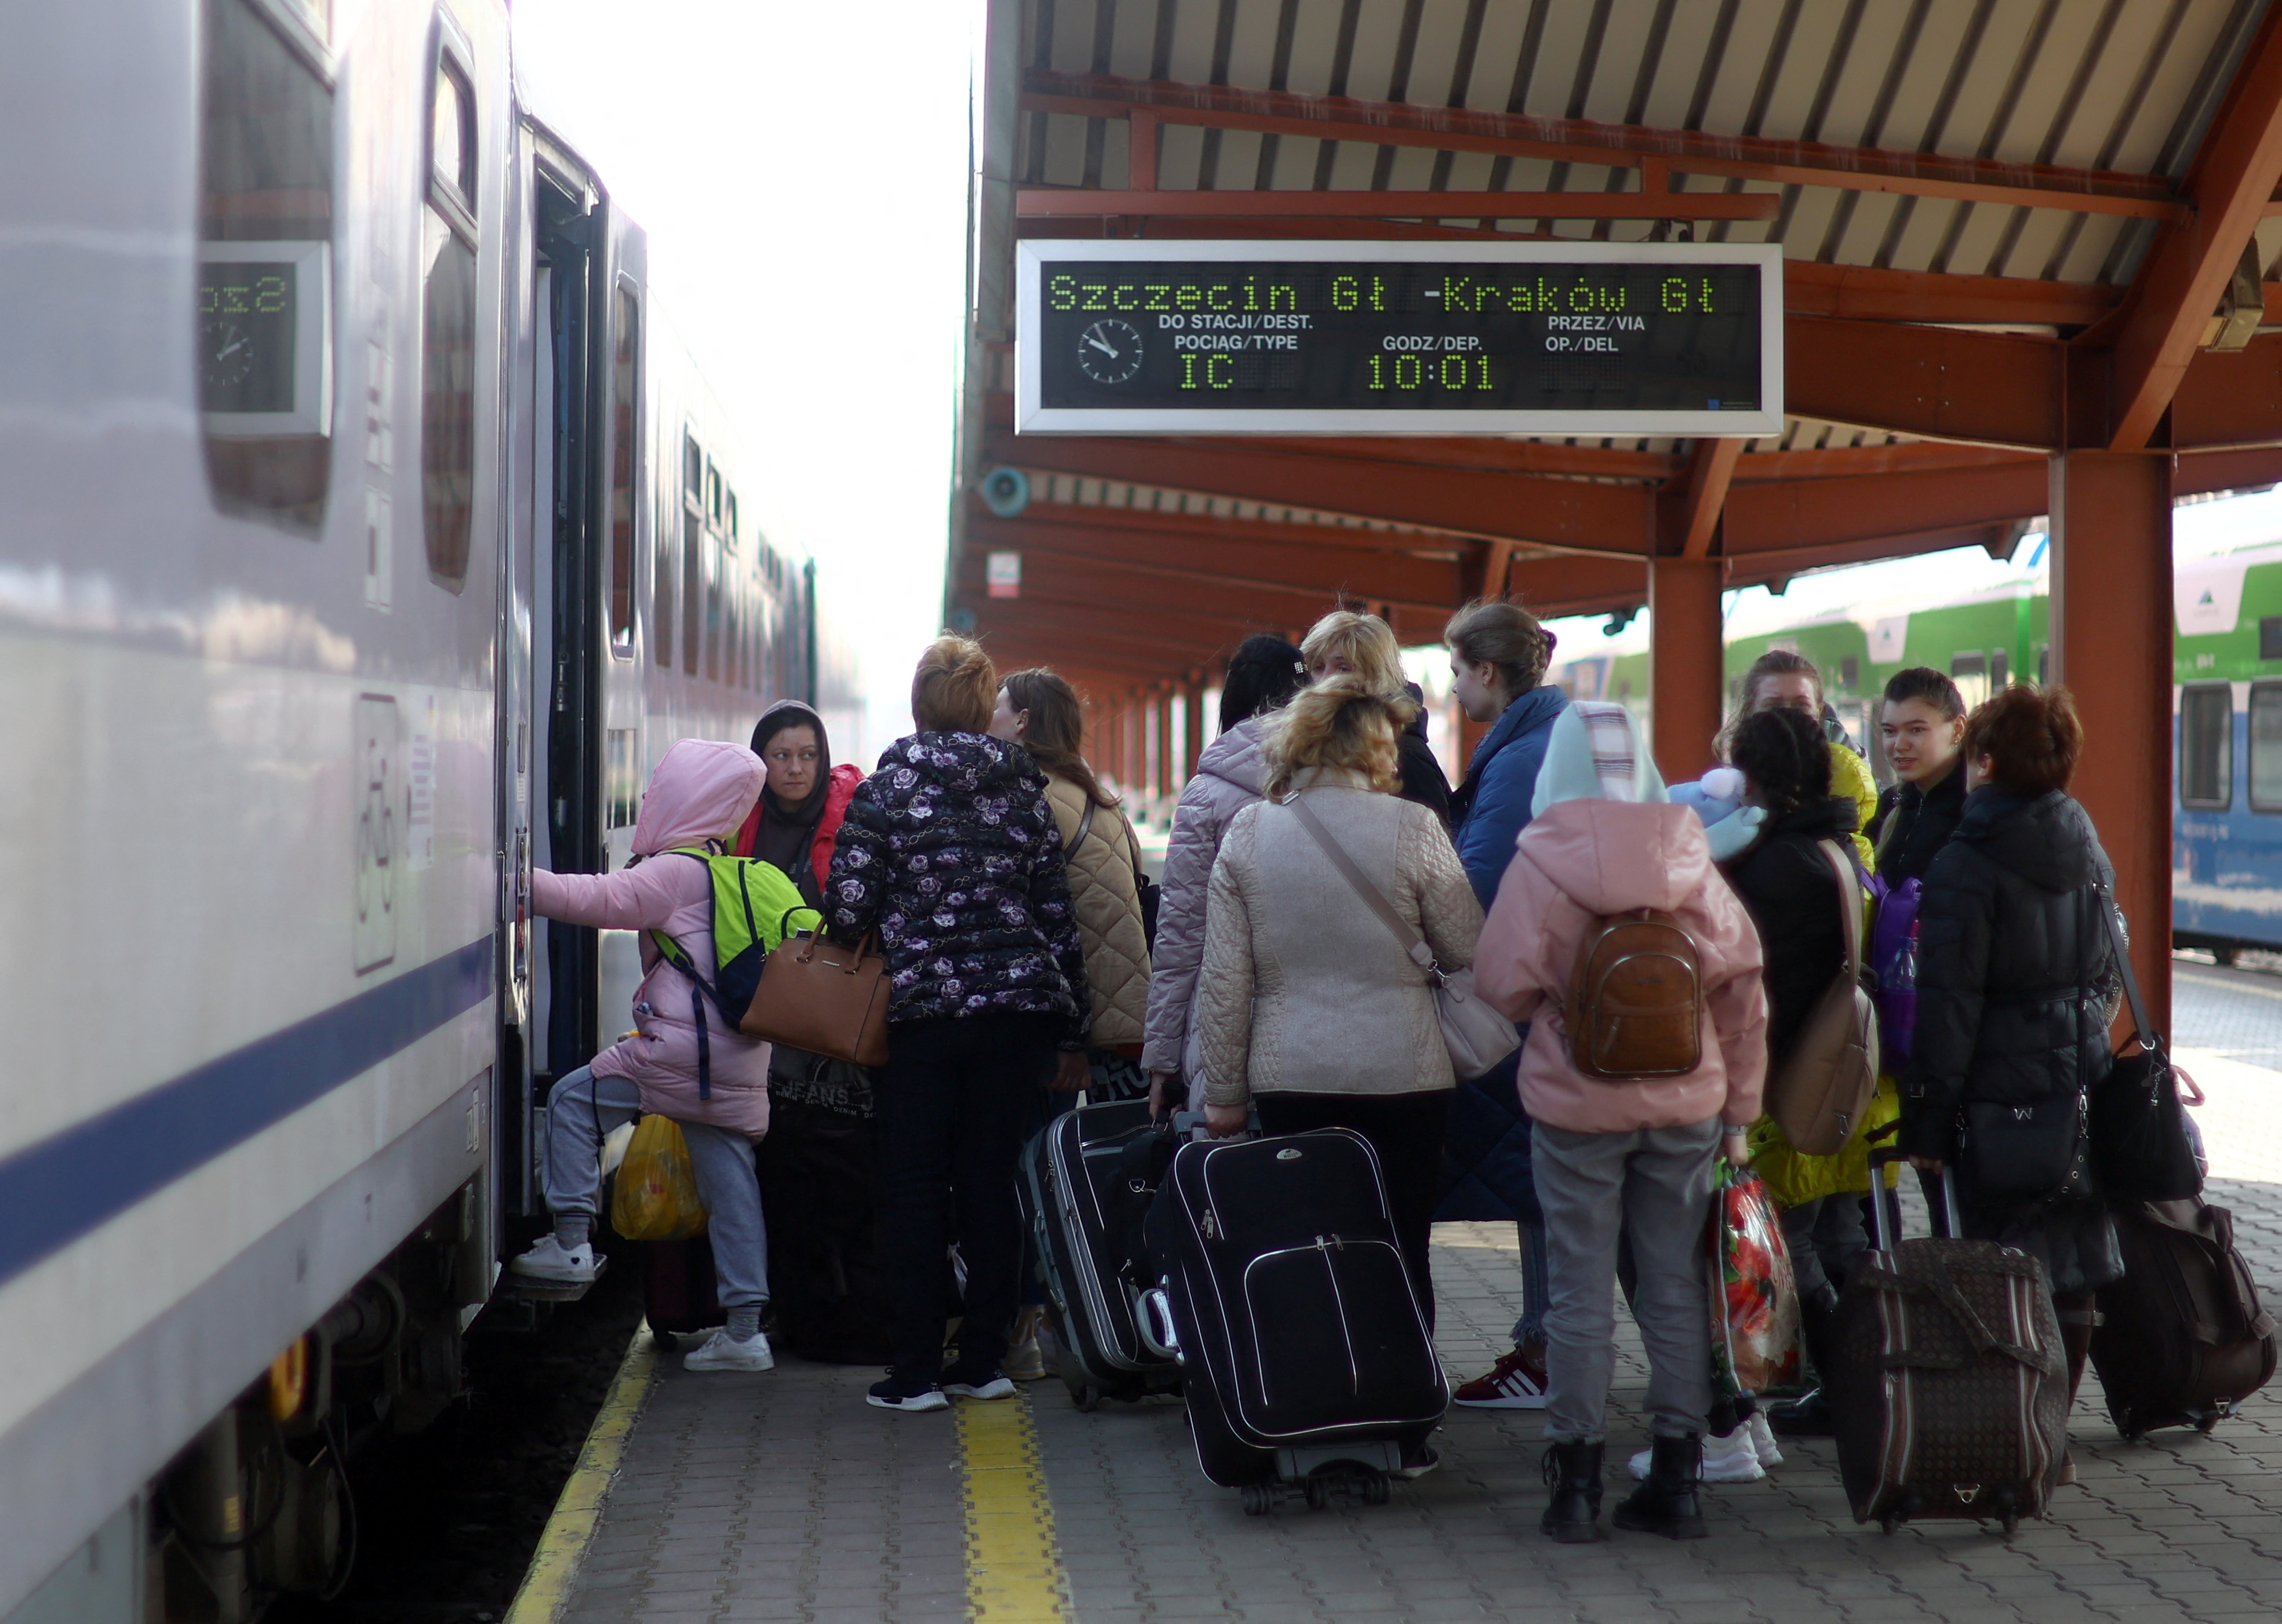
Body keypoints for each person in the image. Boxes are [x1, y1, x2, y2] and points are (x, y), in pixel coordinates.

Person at [1473, 702, 1767, 1543]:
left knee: (1576, 1289)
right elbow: (1742, 992)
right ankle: (1677, 1478)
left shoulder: (1541, 861)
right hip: (1687, 1104)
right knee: (1672, 1282)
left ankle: (1575, 1485)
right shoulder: (1690, 854)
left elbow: (1500, 984)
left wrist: (1561, 1007)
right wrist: (1740, 1112)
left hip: (1576, 1106)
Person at [1192, 679, 1482, 1393]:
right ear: (1378, 747)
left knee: (1307, 1242)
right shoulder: (1414, 828)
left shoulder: (1250, 833)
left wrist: (1222, 1097)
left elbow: (1226, 982)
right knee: (1401, 1240)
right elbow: (1469, 948)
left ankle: (1319, 1398)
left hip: (1292, 1077)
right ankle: (1408, 1407)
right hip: (1406, 1076)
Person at [825, 635, 1090, 1414]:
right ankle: (984, 1361)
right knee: (988, 1182)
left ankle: (912, 1373)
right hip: (1014, 1017)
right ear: (982, 709)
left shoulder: (887, 787)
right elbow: (1056, 916)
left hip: (923, 1018)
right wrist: (1071, 1027)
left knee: (912, 1188)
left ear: (918, 703)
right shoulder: (1022, 789)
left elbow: (846, 912)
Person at [1899, 685, 2122, 1480]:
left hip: (1997, 1093)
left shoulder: (1966, 858)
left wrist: (1927, 1120)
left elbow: (1949, 1004)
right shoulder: (2084, 840)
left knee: (1999, 1266)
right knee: (2073, 1261)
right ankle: (2049, 1436)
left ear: (1985, 759)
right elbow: (2107, 968)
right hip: (2080, 1081)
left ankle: (2014, 1437)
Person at [508, 737, 778, 1374]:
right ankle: (746, 1332)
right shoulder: (736, 869)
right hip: (739, 1055)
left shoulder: (674, 870)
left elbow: (599, 899)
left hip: (681, 1053)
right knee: (733, 1187)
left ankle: (571, 1242)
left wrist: (515, 881)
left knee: (574, 1100)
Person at [1715, 706, 1892, 1449]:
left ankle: (1855, 1383)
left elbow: (1759, 991)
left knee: (1785, 1252)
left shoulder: (1773, 867)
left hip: (1776, 1089)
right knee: (1817, 1241)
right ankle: (1862, 1382)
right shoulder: (1832, 847)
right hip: (1826, 1077)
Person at [989, 666, 1153, 1382]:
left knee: (1035, 1173)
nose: (988, 716)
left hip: (1067, 1023)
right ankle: (1122, 1318)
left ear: (1022, 721)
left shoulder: (1029, 800)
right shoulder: (1099, 798)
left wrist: (1064, 1037)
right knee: (1117, 1174)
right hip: (1125, 1023)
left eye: (998, 706)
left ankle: (1031, 1329)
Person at [1440, 599, 1568, 1413]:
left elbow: (1477, 889)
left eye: (1457, 671)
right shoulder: (1545, 736)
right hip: (1558, 990)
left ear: (1487, 671)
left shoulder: (1518, 757)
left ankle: (1544, 1351)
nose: (1453, 689)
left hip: (1533, 1000)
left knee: (1541, 1179)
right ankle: (1545, 1347)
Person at [1142, 635, 1306, 1116]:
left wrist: (1161, 1061)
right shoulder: (1343, 777)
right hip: (1328, 1029)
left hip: (1223, 1021)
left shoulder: (1206, 795)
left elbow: (1181, 932)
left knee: (1235, 1177)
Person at [1726, 649, 1879, 871]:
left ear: (1820, 712)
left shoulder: (1857, 789)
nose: (1788, 718)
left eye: (1800, 706)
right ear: (1750, 712)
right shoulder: (1725, 796)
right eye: (1774, 707)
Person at [1300, 609, 1452, 825]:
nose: (1325, 680)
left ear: (1378, 677)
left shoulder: (1405, 757)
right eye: (1318, 667)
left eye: (1343, 668)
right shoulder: (1314, 748)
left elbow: (1432, 848)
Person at [735, 700, 862, 908]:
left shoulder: (853, 818)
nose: (795, 768)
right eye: (782, 756)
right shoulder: (737, 818)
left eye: (808, 755)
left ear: (822, 759)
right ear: (761, 760)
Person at [1868, 667, 1968, 883]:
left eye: (1916, 730)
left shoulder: (1976, 811)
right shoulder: (1890, 804)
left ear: (1958, 729)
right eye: (1889, 731)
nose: (1899, 745)